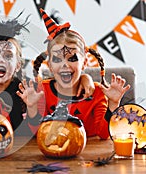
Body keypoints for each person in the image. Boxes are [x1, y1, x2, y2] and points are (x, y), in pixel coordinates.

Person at [17, 8, 131, 139]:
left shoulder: (98, 93)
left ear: (84, 63)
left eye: (72, 58)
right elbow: (36, 133)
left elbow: (104, 134)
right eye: (57, 59)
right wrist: (31, 108)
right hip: (52, 150)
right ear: (50, 65)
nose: (64, 64)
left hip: (88, 155)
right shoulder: (42, 91)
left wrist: (113, 104)